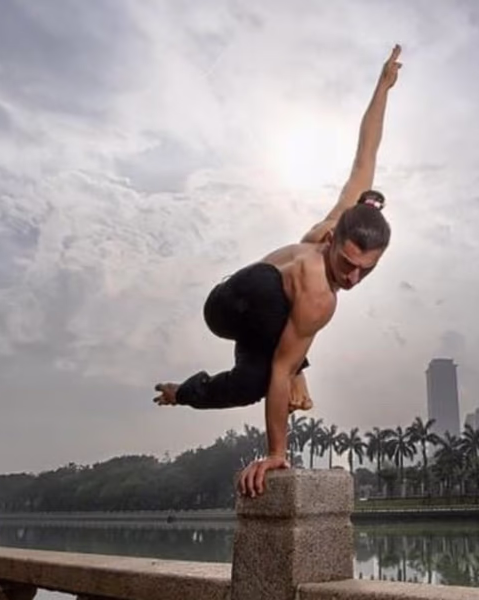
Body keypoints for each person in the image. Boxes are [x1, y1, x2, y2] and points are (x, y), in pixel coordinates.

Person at [153, 44, 403, 497]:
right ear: (333, 237)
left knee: (250, 384)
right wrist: (276, 452)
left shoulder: (346, 218)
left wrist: (383, 86)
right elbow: (281, 373)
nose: (352, 279)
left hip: (264, 324)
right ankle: (300, 363)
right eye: (347, 264)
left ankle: (180, 393)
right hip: (229, 304)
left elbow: (366, 152)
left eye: (365, 271)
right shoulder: (320, 291)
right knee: (285, 322)